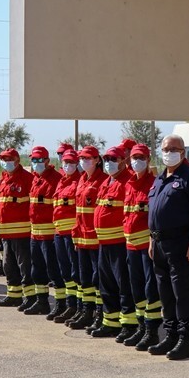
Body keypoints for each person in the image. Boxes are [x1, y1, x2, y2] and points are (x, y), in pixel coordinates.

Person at [147, 134, 189, 359]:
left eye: (174, 148)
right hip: (160, 244)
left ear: (183, 152)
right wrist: (153, 240)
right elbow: (155, 212)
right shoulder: (160, 178)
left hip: (182, 244)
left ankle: (186, 340)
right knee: (166, 294)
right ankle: (171, 335)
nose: (169, 152)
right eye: (165, 149)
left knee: (183, 293)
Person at [93, 145, 135, 339]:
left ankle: (129, 325)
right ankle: (110, 323)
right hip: (104, 243)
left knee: (123, 285)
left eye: (113, 159)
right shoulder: (107, 181)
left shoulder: (128, 182)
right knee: (106, 285)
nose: (109, 162)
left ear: (123, 161)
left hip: (119, 243)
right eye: (106, 159)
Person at [123, 143, 160, 348]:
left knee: (150, 288)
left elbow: (154, 217)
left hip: (147, 246)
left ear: (148, 160)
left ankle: (151, 330)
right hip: (130, 245)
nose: (137, 161)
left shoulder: (154, 184)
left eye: (141, 158)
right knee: (136, 287)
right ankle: (140, 326)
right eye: (134, 158)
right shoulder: (129, 184)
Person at [69, 146, 108, 330]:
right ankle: (86, 311)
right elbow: (78, 212)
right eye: (82, 158)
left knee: (97, 279)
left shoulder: (102, 180)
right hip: (82, 238)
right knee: (84, 279)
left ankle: (100, 313)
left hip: (96, 239)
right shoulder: (82, 180)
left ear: (97, 160)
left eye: (88, 158)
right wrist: (76, 235)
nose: (84, 161)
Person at [0, 148, 35, 308]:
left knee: (24, 266)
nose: (5, 162)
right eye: (3, 159)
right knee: (8, 265)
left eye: (8, 159)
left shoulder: (27, 179)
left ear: (17, 160)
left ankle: (30, 297)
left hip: (22, 232)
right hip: (5, 232)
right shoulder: (4, 178)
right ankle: (13, 295)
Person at [28, 145, 64, 316]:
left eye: (39, 160)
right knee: (37, 270)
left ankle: (60, 304)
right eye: (33, 160)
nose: (36, 163)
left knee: (53, 270)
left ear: (47, 161)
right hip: (35, 233)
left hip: (49, 234)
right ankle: (41, 302)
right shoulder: (36, 179)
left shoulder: (55, 179)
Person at [51, 148, 82, 324]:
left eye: (71, 162)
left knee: (75, 272)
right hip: (59, 233)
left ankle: (79, 307)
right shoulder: (62, 181)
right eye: (65, 162)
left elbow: (79, 212)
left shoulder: (78, 182)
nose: (67, 165)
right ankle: (70, 305)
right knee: (65, 273)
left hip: (72, 234)